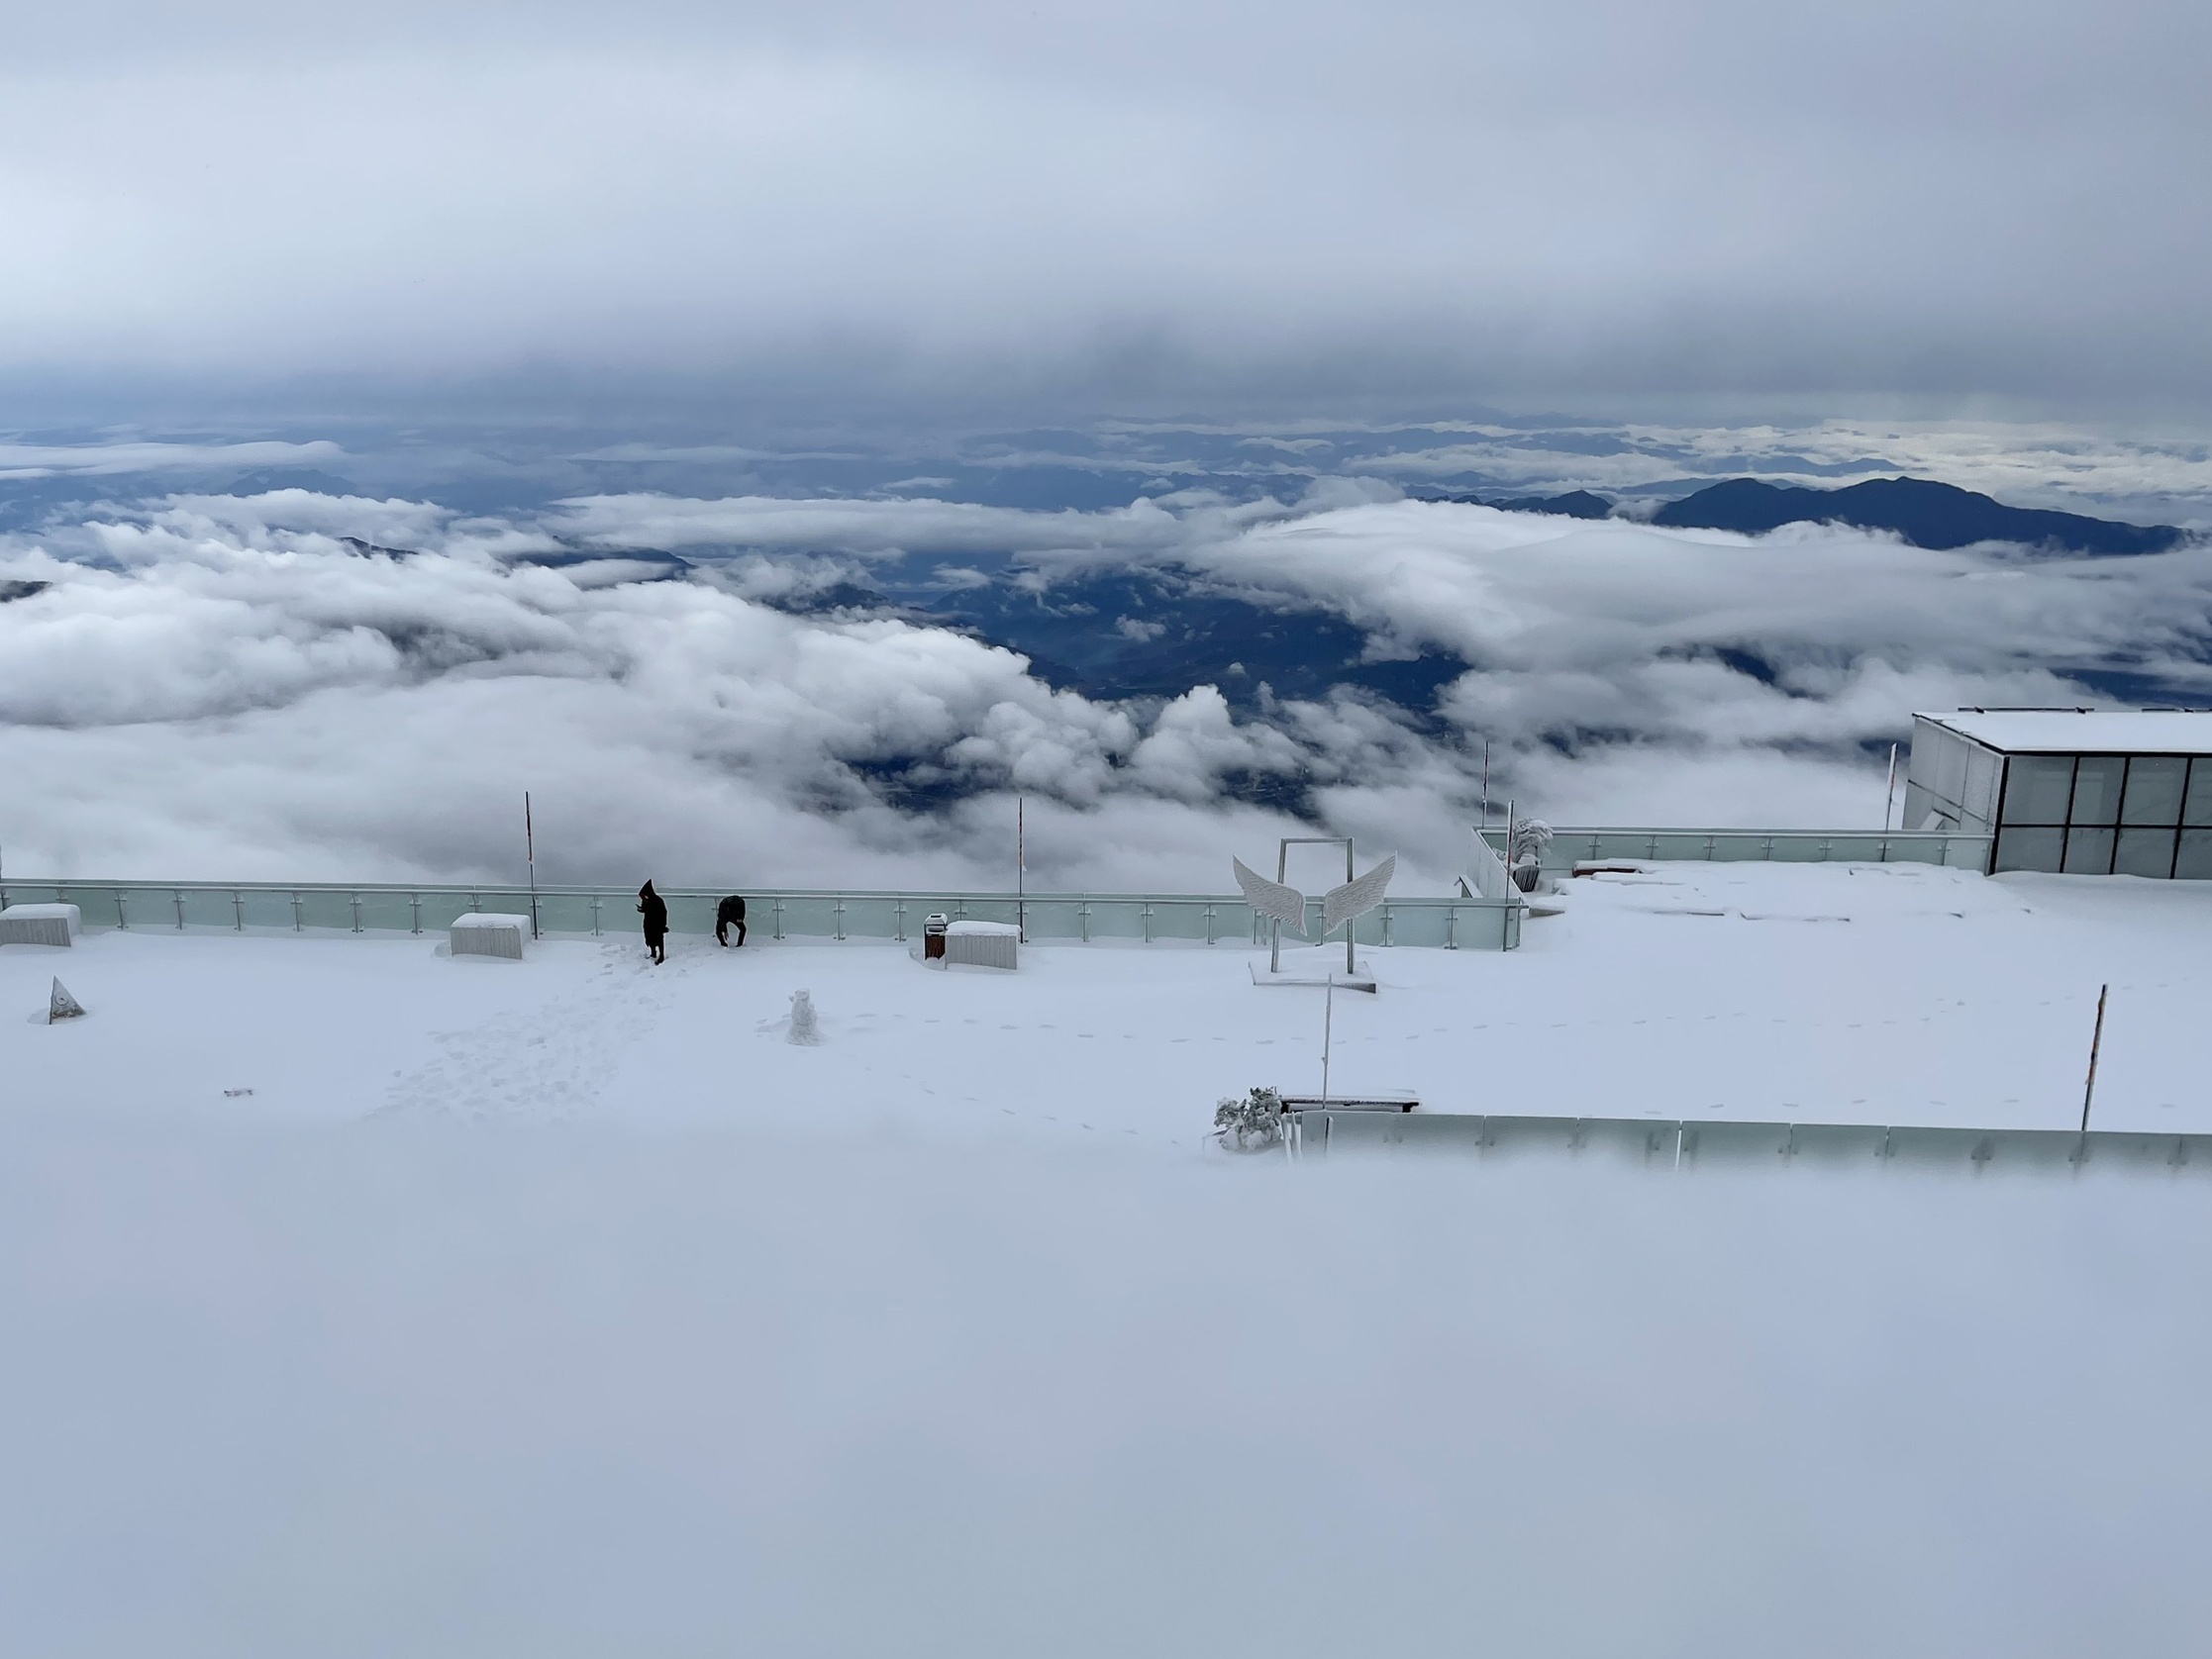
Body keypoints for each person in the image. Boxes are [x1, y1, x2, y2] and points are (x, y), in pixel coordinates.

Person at [637, 880, 668, 964]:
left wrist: (663, 925)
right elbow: (644, 909)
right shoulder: (646, 900)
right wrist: (640, 909)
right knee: (650, 938)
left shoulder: (658, 900)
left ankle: (661, 956)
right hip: (648, 923)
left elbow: (664, 912)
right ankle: (653, 953)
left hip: (657, 923)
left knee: (659, 939)